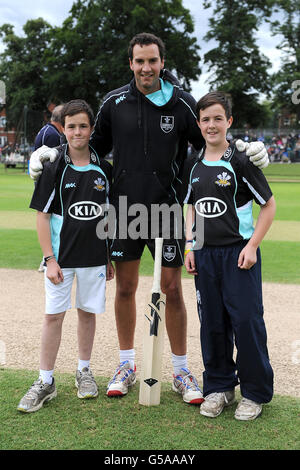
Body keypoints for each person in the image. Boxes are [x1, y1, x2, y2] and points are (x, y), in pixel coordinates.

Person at [29, 33, 269, 405]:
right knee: (125, 289)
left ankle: (180, 368)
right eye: (139, 61)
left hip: (168, 210)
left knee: (173, 290)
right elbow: (88, 145)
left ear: (161, 62)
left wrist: (243, 148)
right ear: (131, 63)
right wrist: (51, 155)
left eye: (152, 61)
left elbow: (209, 138)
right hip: (124, 211)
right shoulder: (114, 103)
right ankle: (126, 365)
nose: (146, 68)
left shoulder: (181, 102)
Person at [17, 100, 114, 413]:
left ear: (91, 129)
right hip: (60, 261)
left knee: (87, 313)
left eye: (83, 126)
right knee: (53, 317)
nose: (77, 132)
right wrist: (49, 259)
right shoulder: (54, 166)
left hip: (94, 259)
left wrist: (108, 255)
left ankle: (84, 371)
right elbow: (43, 217)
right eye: (71, 126)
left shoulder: (104, 168)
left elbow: (108, 216)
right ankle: (46, 381)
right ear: (63, 128)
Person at [184, 91, 275, 420]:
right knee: (212, 324)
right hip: (205, 256)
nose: (211, 125)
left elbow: (269, 205)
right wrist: (190, 246)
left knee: (246, 322)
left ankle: (254, 393)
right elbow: (192, 206)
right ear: (198, 123)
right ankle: (219, 388)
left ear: (229, 122)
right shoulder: (193, 164)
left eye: (217, 119)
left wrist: (252, 247)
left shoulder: (240, 161)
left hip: (239, 255)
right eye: (205, 119)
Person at [35, 104, 65, 272]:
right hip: (48, 183)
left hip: (44, 182)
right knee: (51, 217)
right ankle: (48, 257)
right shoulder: (53, 135)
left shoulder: (47, 130)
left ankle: (47, 257)